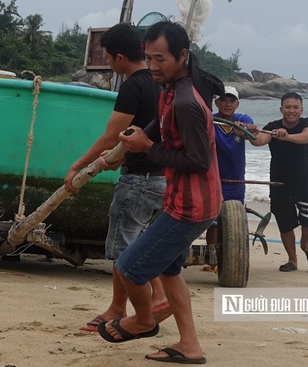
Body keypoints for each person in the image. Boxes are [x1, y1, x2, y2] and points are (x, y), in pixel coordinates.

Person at [97, 19, 221, 365]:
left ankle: (144, 320)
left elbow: (197, 161)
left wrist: (148, 146)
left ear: (182, 55)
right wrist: (123, 150)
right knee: (169, 270)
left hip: (191, 207)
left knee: (129, 267)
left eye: (160, 59)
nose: (152, 67)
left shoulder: (186, 101)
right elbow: (157, 126)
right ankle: (190, 346)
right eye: (148, 58)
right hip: (189, 200)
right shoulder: (171, 87)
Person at [63, 23, 170, 332]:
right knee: (144, 245)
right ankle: (121, 305)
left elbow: (113, 135)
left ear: (121, 57)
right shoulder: (159, 83)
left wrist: (77, 165)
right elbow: (148, 132)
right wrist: (120, 157)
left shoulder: (134, 85)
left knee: (125, 251)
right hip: (163, 178)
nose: (108, 63)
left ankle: (146, 305)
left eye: (109, 58)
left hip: (139, 181)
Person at [249, 92, 308, 272]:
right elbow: (259, 141)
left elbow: (307, 137)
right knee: (285, 224)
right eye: (287, 107)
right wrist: (249, 133)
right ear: (281, 109)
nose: (291, 110)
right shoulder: (272, 127)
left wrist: (286, 136)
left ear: (301, 109)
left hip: (303, 181)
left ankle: (305, 243)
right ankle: (292, 260)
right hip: (278, 183)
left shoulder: (306, 123)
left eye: (295, 107)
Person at [204, 86, 254, 251]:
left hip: (236, 181)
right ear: (216, 102)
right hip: (212, 180)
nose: (227, 104)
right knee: (213, 222)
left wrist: (245, 131)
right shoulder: (209, 120)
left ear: (237, 104)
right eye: (223, 100)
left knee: (234, 223)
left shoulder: (243, 118)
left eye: (231, 100)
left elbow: (251, 133)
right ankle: (211, 258)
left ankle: (231, 256)